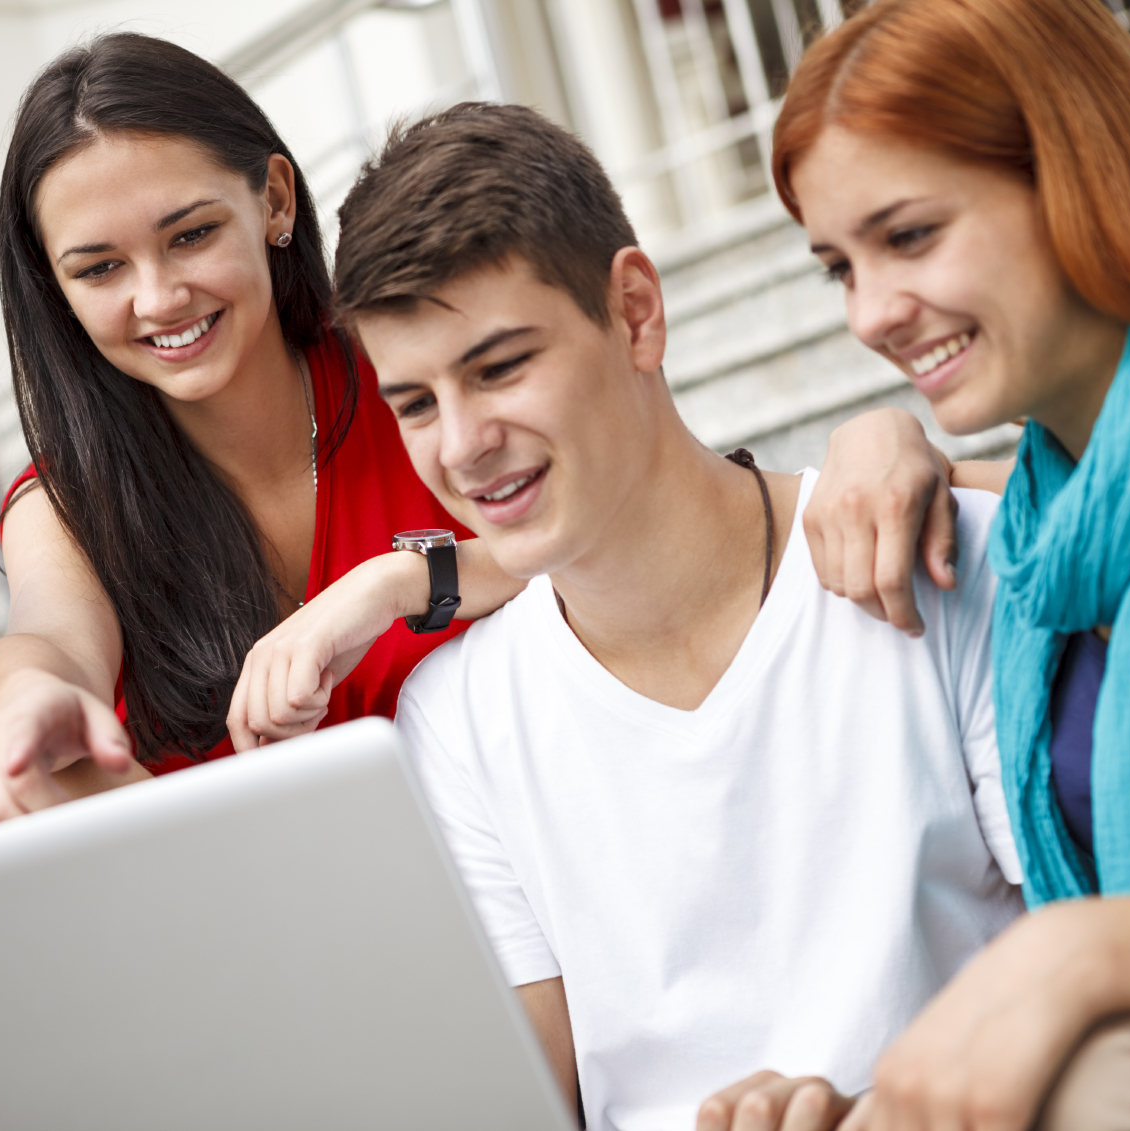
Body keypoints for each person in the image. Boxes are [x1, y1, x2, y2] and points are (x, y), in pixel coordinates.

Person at [331, 101, 1025, 1131]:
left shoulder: (934, 558)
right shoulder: (457, 718)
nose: (463, 444)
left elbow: (1098, 966)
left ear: (635, 312)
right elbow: (524, 1102)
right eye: (417, 404)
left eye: (500, 367)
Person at [770, 0, 1130, 1124]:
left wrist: (1092, 954)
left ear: (1076, 173)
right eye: (838, 267)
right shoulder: (1043, 523)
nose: (870, 314)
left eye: (909, 236)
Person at [0, 34, 527, 825]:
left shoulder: (401, 372)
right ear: (56, 289)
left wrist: (396, 583)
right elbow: (48, 638)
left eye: (191, 235)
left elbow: (588, 540)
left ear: (274, 202)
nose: (159, 298)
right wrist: (29, 701)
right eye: (100, 269)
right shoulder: (66, 507)